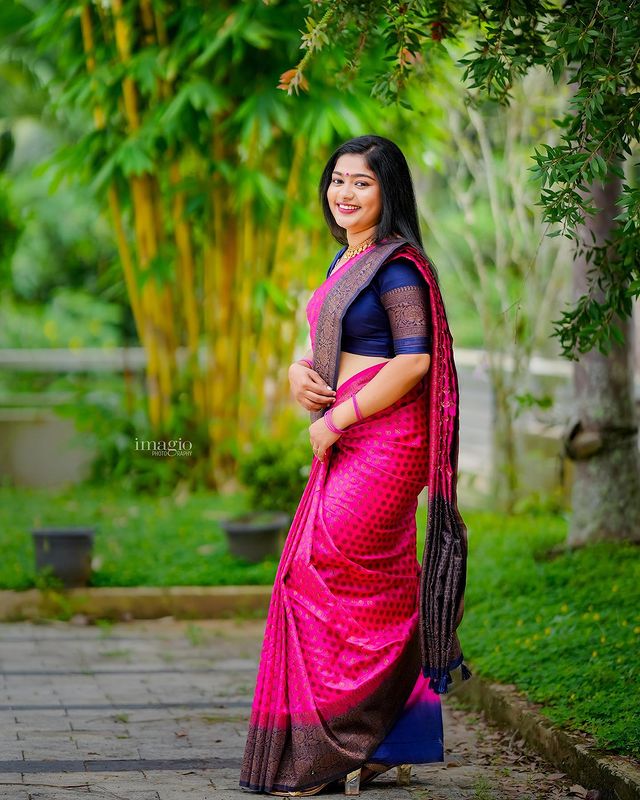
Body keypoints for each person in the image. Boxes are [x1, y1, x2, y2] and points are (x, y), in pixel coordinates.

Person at [239, 135, 470, 797]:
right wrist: (295, 373)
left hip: (386, 442)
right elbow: (316, 345)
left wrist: (336, 418)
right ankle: (396, 735)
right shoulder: (347, 258)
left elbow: (413, 360)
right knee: (383, 582)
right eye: (337, 179)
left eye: (360, 183)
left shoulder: (397, 268)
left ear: (387, 191)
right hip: (345, 437)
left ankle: (333, 744)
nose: (344, 193)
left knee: (314, 571)